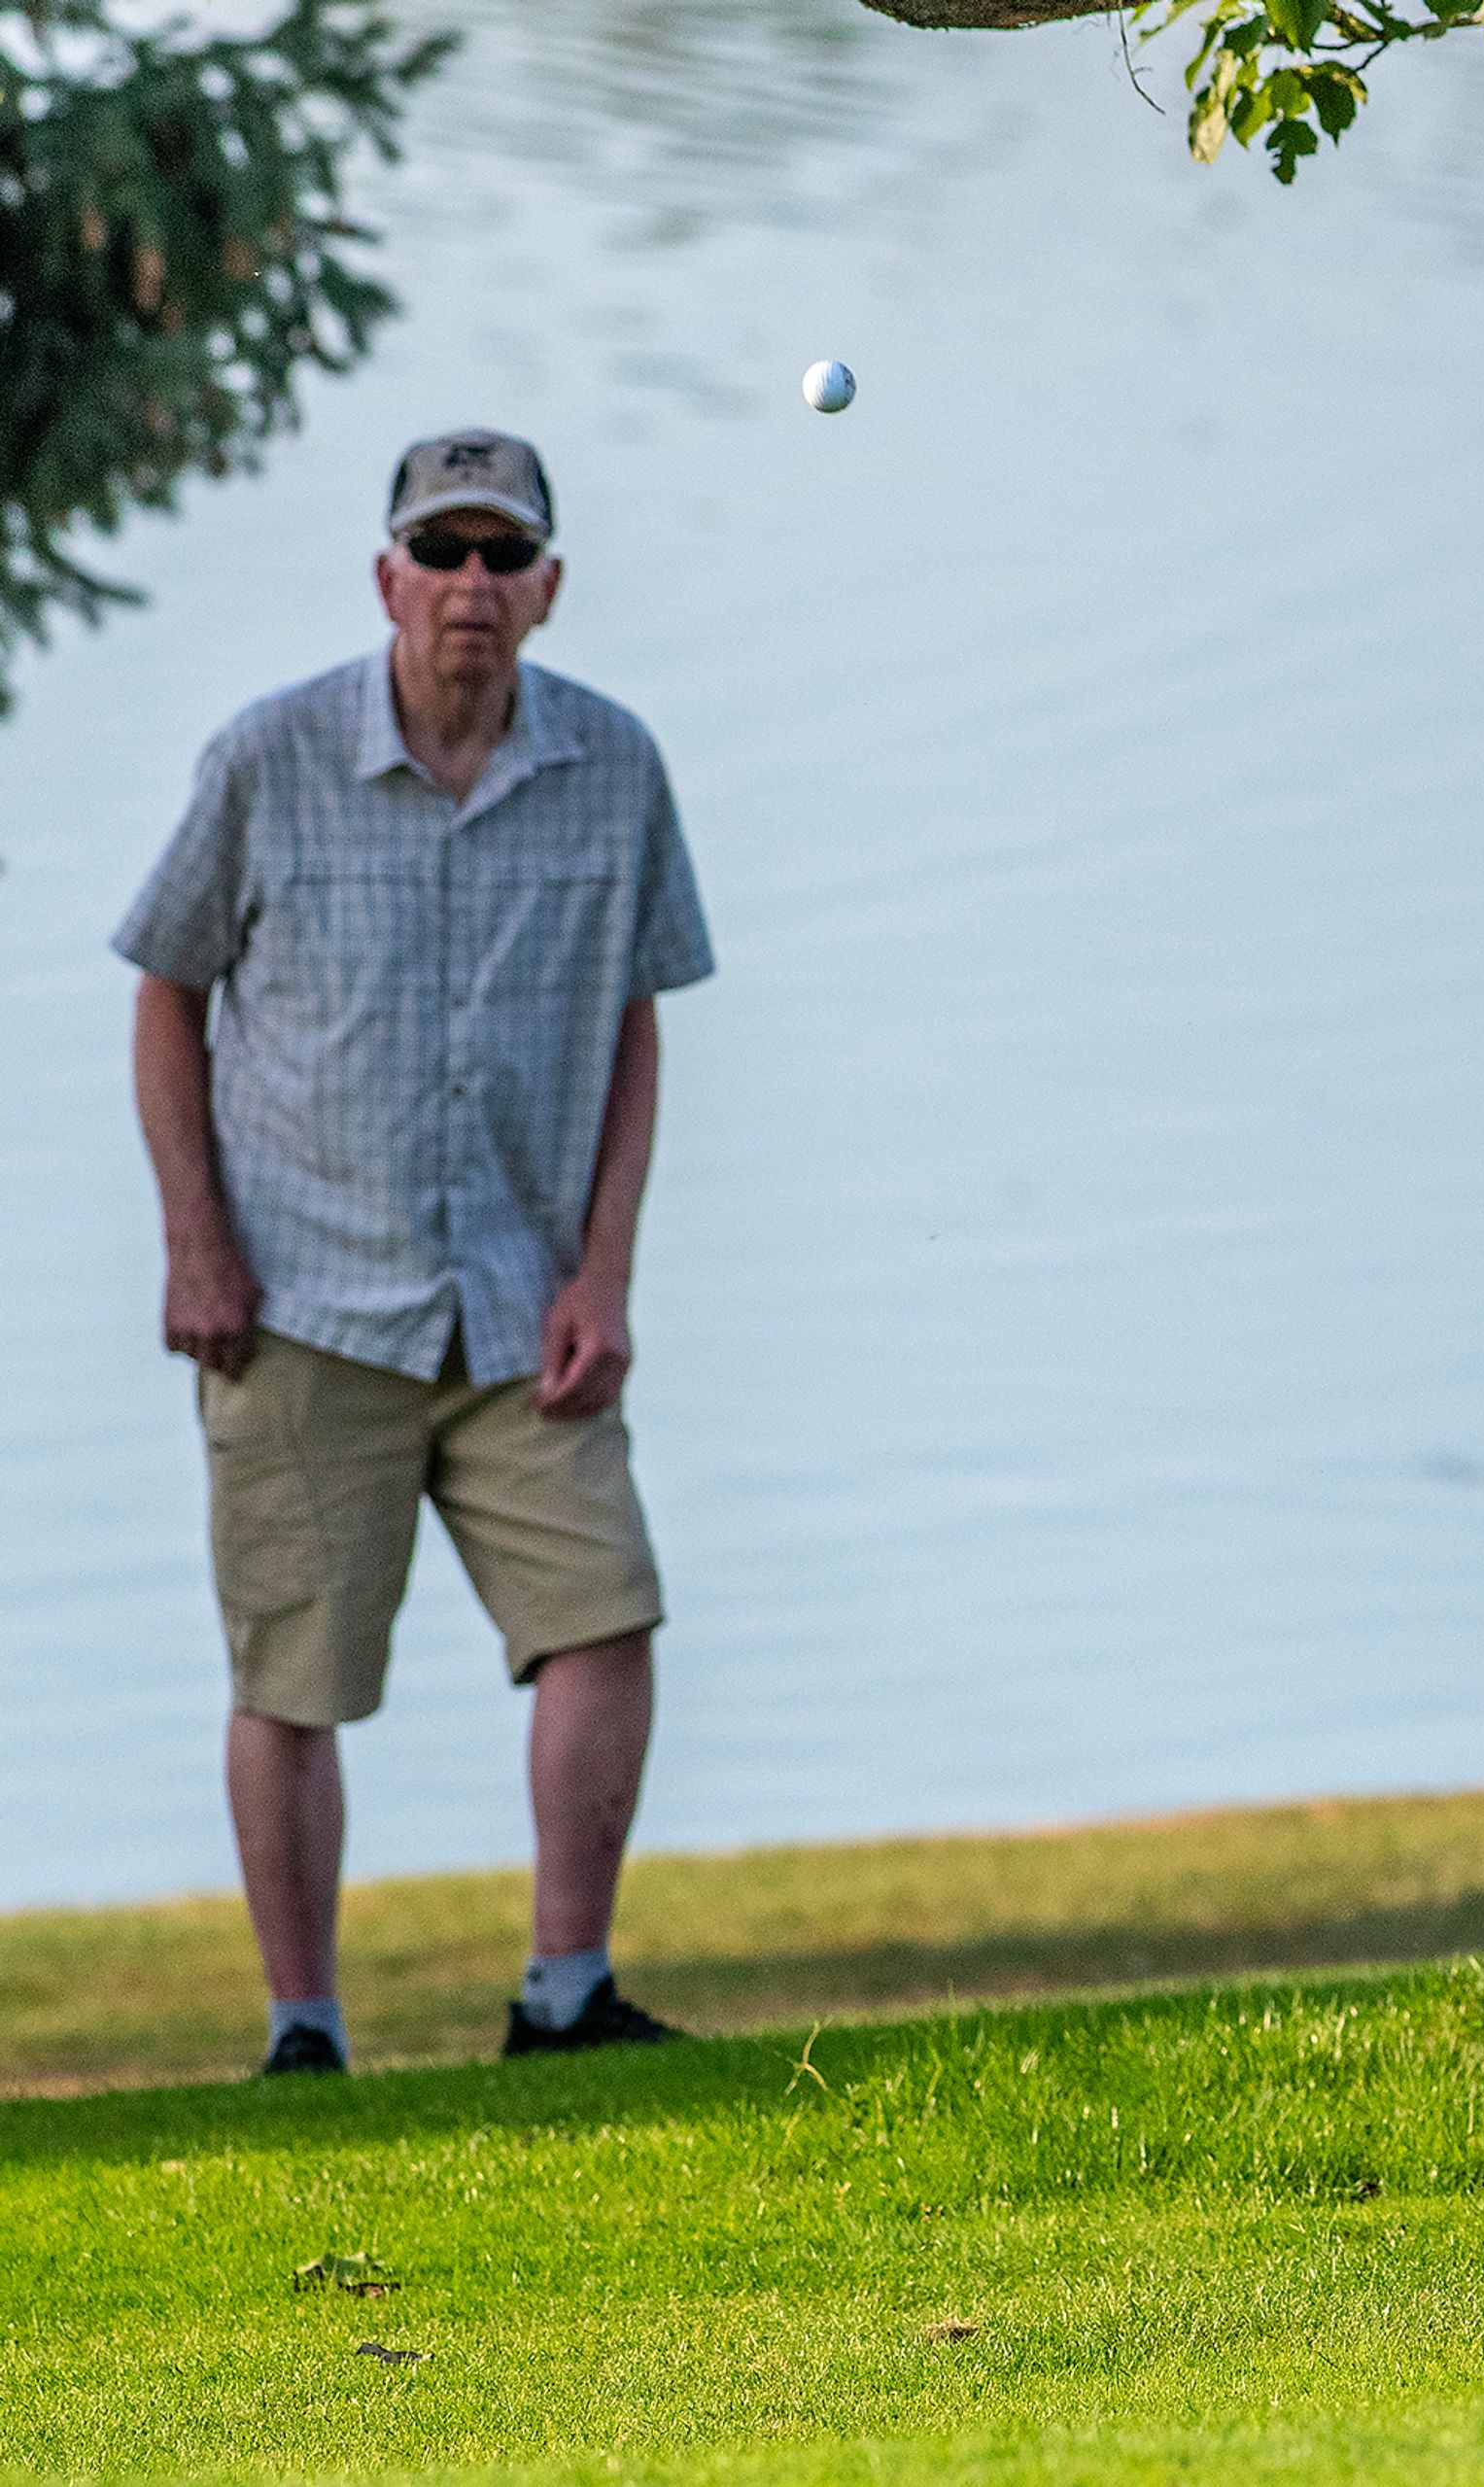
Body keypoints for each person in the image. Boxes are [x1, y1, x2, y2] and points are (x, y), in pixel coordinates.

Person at [116, 430, 711, 2076]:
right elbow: (166, 990)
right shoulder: (268, 758)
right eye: (438, 554)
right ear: (386, 578)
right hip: (302, 1299)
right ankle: (303, 2031)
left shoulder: (618, 767)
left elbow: (636, 1020)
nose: (469, 586)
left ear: (547, 589)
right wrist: (196, 1245)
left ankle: (567, 1998)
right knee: (293, 1679)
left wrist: (607, 1276)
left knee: (607, 1616)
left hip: (528, 1308)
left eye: (499, 556)